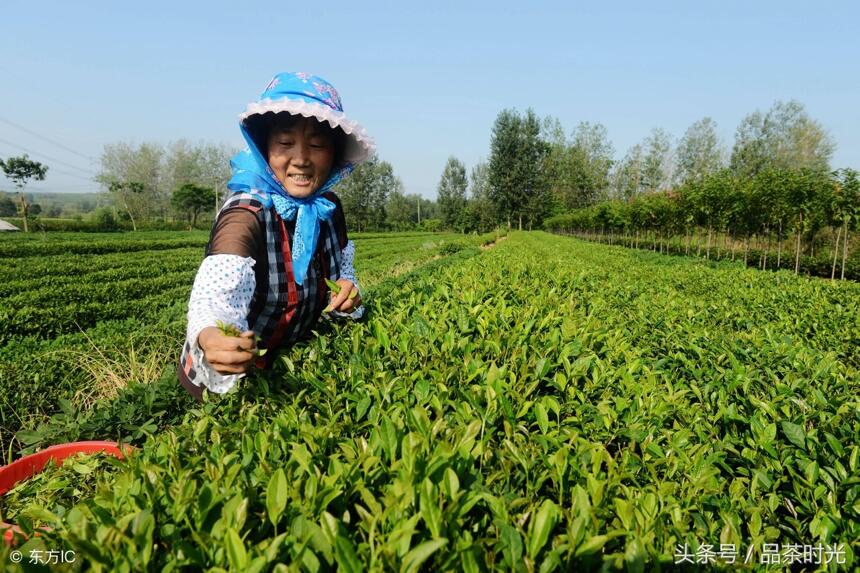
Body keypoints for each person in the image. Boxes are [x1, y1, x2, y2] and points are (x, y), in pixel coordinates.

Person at [177, 71, 375, 401]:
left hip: (289, 369)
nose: (301, 159)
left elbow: (342, 273)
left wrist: (346, 291)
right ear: (264, 148)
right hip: (231, 384)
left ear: (335, 154)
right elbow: (215, 296)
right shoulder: (245, 213)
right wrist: (212, 338)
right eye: (285, 143)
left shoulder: (328, 207)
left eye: (316, 144)